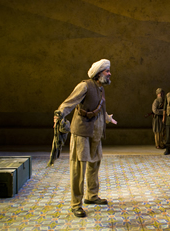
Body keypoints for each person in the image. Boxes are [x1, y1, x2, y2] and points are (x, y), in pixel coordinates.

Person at [53, 59, 117, 218]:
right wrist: (59, 114)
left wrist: (108, 118)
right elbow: (69, 102)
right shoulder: (84, 86)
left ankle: (91, 196)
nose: (109, 74)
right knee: (78, 168)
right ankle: (76, 204)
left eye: (109, 71)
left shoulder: (101, 88)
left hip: (96, 132)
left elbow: (99, 108)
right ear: (98, 73)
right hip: (82, 131)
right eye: (107, 71)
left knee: (94, 163)